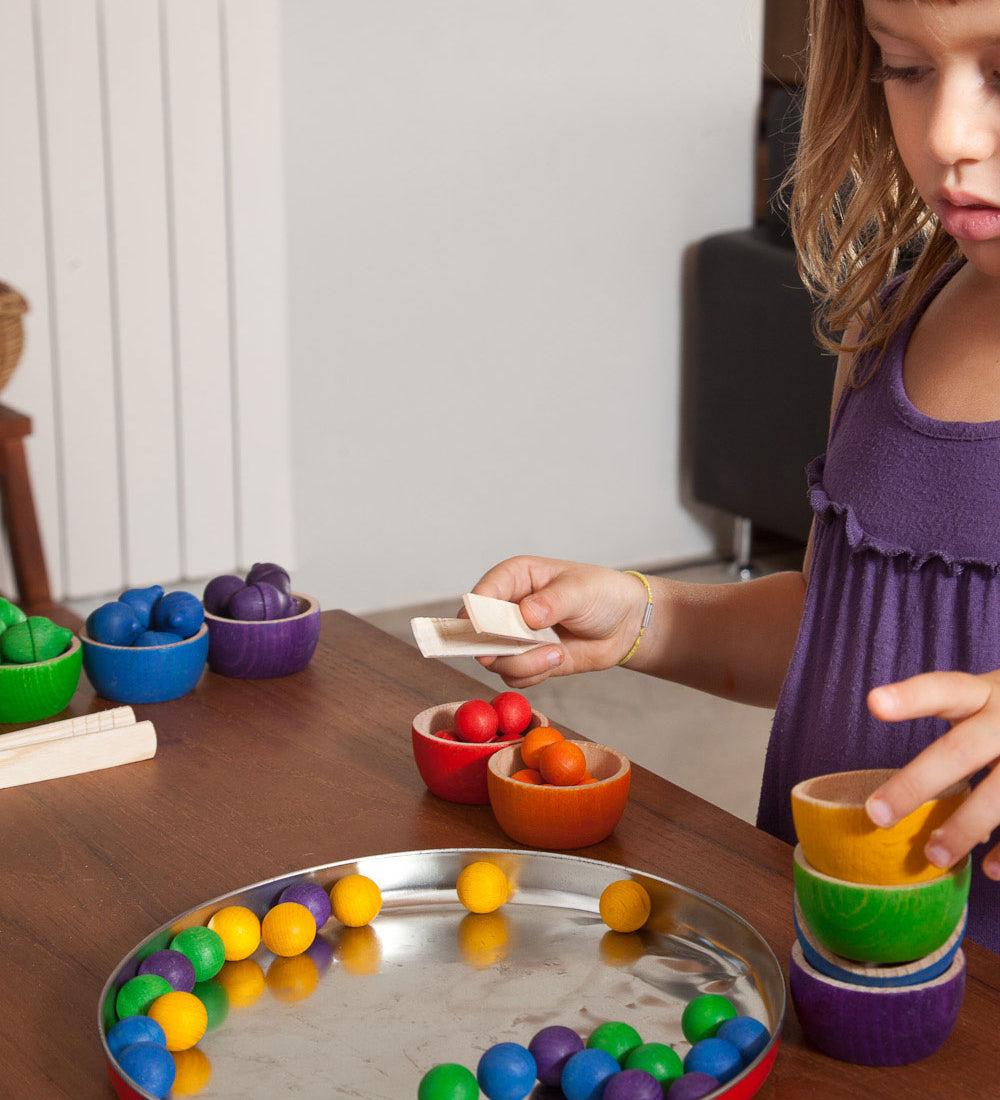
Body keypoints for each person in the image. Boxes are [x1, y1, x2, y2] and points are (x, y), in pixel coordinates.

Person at [470, 0, 1000, 952]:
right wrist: (646, 616)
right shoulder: (890, 325)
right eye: (906, 68)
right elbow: (850, 630)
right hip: (820, 945)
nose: (949, 137)